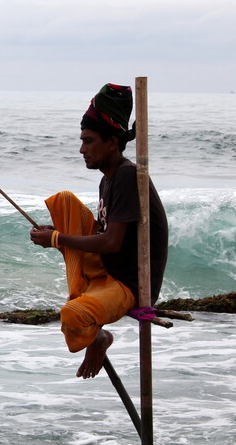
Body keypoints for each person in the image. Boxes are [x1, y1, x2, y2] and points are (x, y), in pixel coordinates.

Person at [30, 83, 168, 379]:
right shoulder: (108, 179)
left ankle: (100, 338)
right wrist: (57, 235)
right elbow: (103, 235)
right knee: (64, 201)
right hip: (107, 270)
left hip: (128, 284)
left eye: (89, 140)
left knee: (73, 315)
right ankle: (84, 293)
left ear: (112, 144)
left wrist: (57, 239)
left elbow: (112, 242)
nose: (82, 149)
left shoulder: (128, 176)